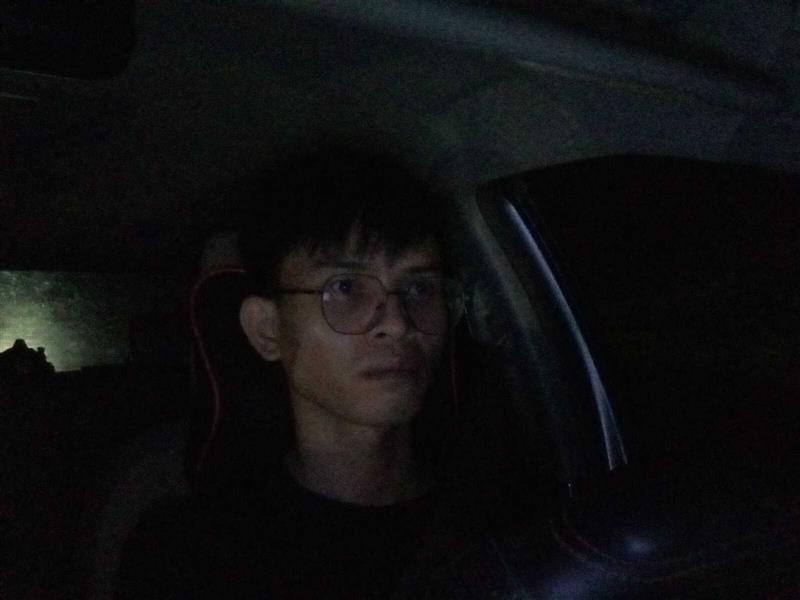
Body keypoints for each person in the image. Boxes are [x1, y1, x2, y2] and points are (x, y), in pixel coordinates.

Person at [115, 150, 469, 599]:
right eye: (345, 288)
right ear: (267, 330)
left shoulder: (502, 519)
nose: (398, 324)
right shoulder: (189, 554)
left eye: (419, 288)